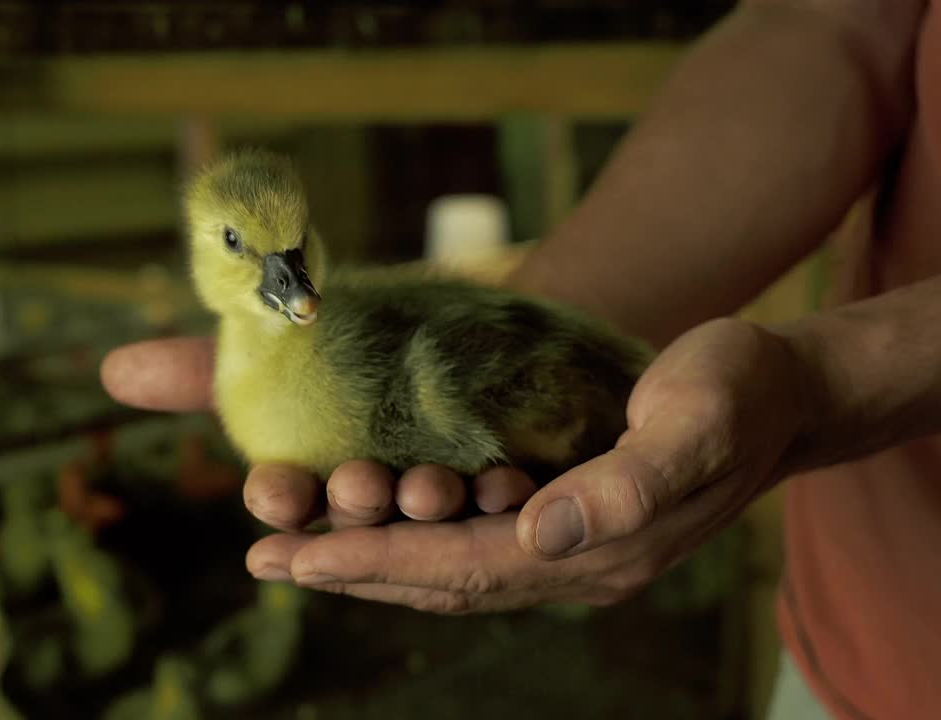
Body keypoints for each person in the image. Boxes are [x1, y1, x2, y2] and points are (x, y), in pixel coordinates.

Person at [101, 1, 940, 717]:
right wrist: (572, 308)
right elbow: (831, 19)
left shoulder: (366, 364)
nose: (290, 277)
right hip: (861, 634)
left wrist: (831, 379)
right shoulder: (305, 340)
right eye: (249, 250)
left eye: (292, 254)